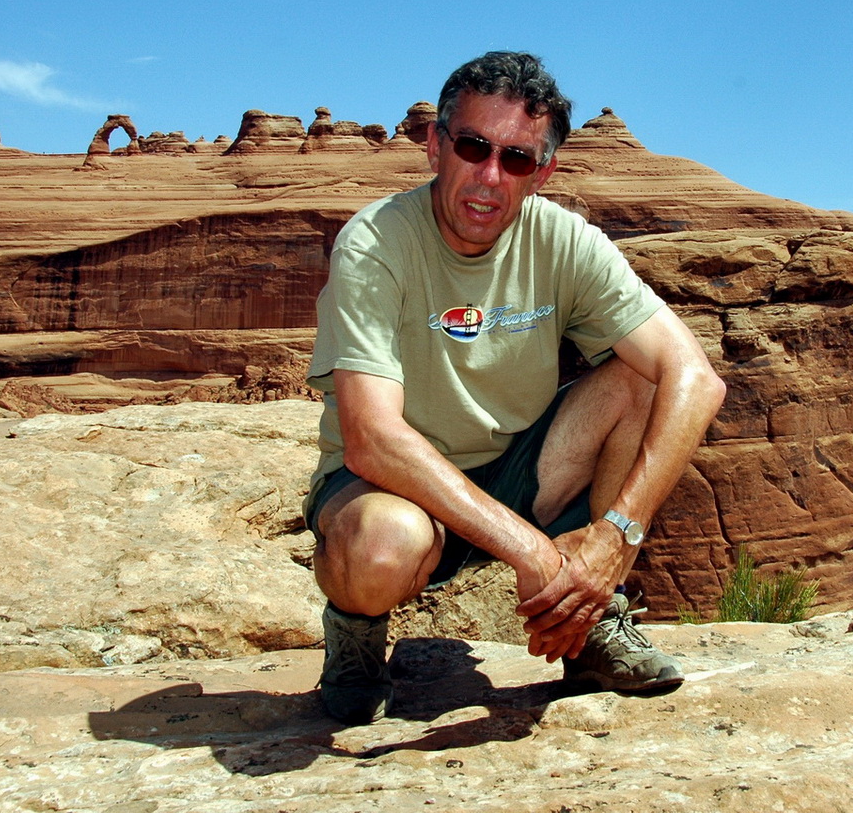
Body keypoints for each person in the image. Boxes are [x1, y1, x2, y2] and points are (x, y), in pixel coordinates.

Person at [304, 51, 726, 725]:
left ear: (544, 171)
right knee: (379, 547)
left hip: (523, 470)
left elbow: (696, 379)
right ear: (436, 146)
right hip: (396, 489)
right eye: (473, 147)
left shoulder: (564, 241)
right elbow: (373, 439)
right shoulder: (376, 242)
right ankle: (355, 636)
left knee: (647, 379)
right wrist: (533, 553)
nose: (490, 176)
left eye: (518, 158)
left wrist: (616, 537)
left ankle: (592, 624)